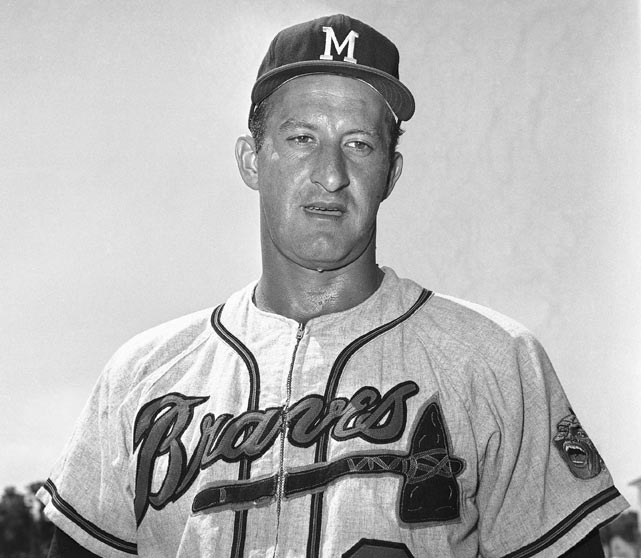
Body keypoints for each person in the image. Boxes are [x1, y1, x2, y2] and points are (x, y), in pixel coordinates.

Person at [38, 14, 628, 558]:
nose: (330, 173)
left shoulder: (495, 360)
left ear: (391, 172)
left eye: (359, 143)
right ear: (251, 160)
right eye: (301, 139)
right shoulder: (144, 375)